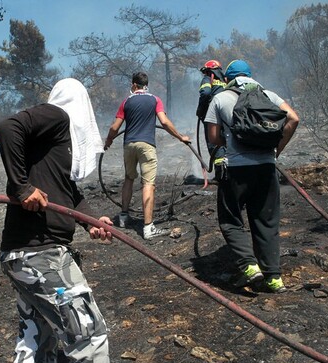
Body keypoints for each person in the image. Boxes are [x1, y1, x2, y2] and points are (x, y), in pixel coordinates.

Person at [0, 78, 119, 363]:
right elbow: (8, 126)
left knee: (37, 337)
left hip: (25, 255)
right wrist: (21, 187)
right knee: (88, 334)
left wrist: (91, 220)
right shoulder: (57, 116)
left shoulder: (55, 146)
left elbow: (69, 191)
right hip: (41, 253)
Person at [204, 59, 299, 293]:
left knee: (231, 220)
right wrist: (277, 149)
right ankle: (273, 277)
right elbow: (293, 119)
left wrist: (232, 139)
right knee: (266, 221)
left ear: (228, 78)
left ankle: (248, 266)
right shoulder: (268, 95)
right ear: (250, 75)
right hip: (266, 168)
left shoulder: (220, 98)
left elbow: (214, 138)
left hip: (236, 168)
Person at [104, 71, 191, 240]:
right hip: (147, 145)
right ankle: (148, 227)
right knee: (148, 184)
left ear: (134, 85)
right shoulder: (155, 100)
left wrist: (108, 141)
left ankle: (123, 217)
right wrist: (181, 137)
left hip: (129, 145)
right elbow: (164, 122)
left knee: (129, 179)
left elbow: (115, 127)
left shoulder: (126, 102)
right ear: (146, 85)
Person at [196, 59, 227, 179]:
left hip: (213, 115)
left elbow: (205, 93)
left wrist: (200, 109)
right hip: (227, 115)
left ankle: (220, 174)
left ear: (208, 70)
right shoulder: (225, 80)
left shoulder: (208, 78)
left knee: (213, 141)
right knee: (225, 141)